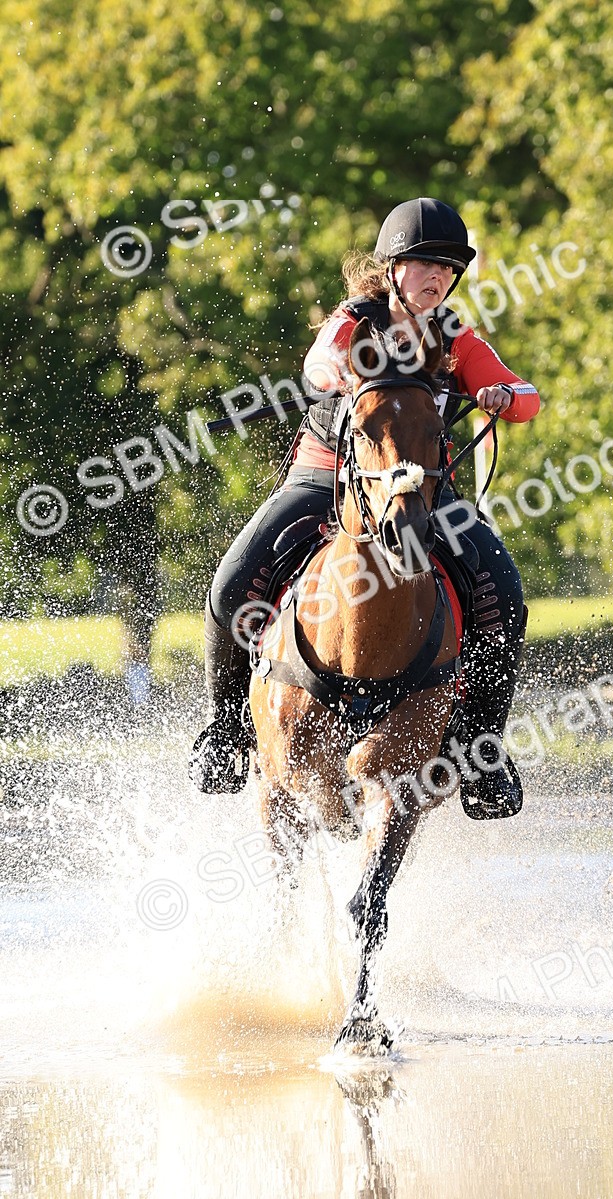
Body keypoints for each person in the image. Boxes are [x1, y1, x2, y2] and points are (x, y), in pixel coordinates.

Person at [189, 197, 540, 818]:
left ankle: (481, 747)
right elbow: (318, 359)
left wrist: (500, 394)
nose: (436, 278)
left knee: (504, 596)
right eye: (424, 265)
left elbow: (526, 396)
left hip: (423, 487)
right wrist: (346, 375)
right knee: (230, 587)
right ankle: (225, 732)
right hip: (326, 479)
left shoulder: (453, 335)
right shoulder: (357, 317)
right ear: (393, 266)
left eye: (447, 269)